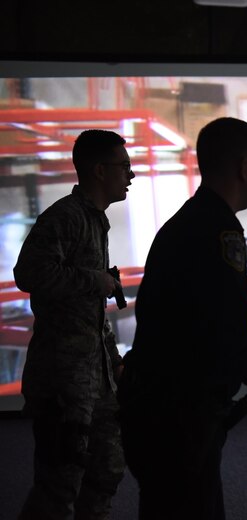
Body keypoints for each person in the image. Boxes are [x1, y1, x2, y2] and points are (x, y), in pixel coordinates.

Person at [118, 117, 247, 519]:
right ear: (245, 167)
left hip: (157, 409)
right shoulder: (219, 231)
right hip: (181, 417)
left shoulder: (185, 223)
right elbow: (222, 333)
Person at [14, 129, 134, 519]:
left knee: (106, 470)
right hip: (63, 380)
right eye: (124, 166)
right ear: (100, 171)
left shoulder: (95, 221)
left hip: (94, 378)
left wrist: (113, 357)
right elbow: (28, 272)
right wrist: (93, 280)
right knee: (59, 484)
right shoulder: (66, 217)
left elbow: (90, 312)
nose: (130, 175)